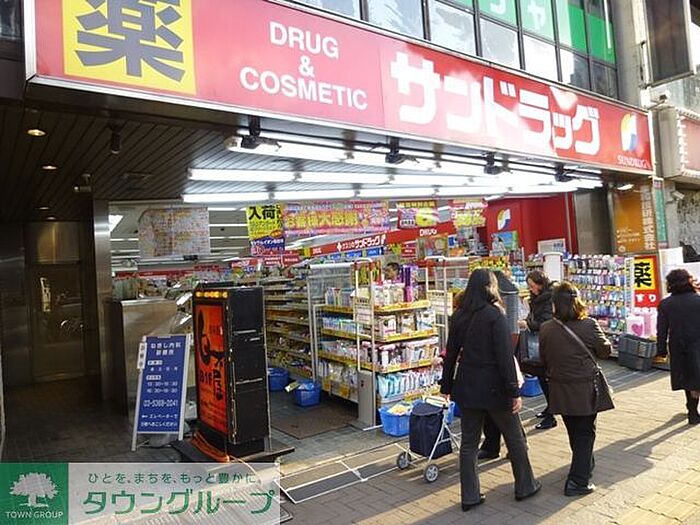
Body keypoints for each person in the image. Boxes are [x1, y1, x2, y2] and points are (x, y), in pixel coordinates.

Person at [441, 268, 541, 511]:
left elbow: (450, 354)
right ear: (491, 287)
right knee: (514, 437)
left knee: (468, 443)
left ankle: (470, 496)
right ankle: (525, 485)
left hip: (467, 385)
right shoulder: (495, 315)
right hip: (496, 387)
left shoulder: (459, 315)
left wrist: (446, 386)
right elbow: (505, 357)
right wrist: (514, 392)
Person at [539, 281, 612, 497]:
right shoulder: (588, 325)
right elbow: (605, 351)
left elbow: (544, 358)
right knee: (586, 433)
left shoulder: (546, 328)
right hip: (585, 389)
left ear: (554, 304)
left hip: (559, 388)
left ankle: (585, 464)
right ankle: (578, 481)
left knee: (574, 430)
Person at [478, 270, 554, 460]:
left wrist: (528, 324)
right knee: (501, 413)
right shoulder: (498, 309)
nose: (530, 289)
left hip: (531, 351)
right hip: (497, 375)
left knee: (508, 414)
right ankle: (499, 446)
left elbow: (545, 321)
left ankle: (518, 447)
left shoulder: (495, 312)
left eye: (532, 285)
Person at [657, 269, 700, 425]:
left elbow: (662, 329)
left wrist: (661, 350)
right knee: (696, 377)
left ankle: (692, 410)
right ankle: (693, 410)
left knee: (688, 378)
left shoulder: (665, 304)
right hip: (698, 344)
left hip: (678, 346)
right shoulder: (698, 300)